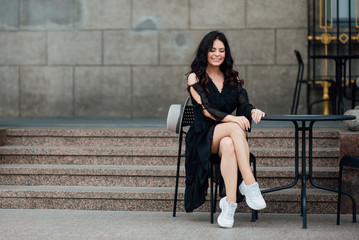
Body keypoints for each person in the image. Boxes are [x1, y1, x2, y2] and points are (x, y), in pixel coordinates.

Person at [184, 31, 266, 228]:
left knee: (229, 143)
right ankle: (249, 183)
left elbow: (244, 105)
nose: (217, 54)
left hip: (224, 138)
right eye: (212, 50)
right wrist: (234, 119)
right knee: (235, 128)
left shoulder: (232, 78)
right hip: (203, 136)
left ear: (226, 53)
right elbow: (206, 110)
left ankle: (229, 206)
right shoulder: (195, 77)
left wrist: (253, 110)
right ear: (205, 52)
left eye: (221, 50)